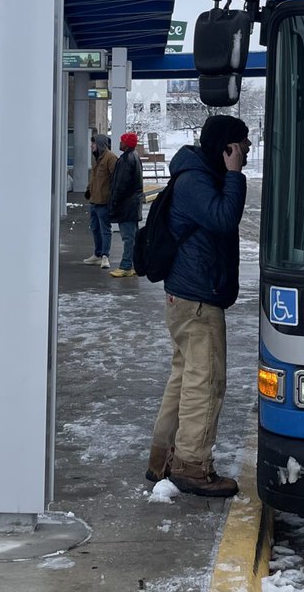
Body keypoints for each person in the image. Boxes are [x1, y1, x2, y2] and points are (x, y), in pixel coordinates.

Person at [147, 115, 250, 498]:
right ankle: (191, 467)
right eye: (242, 145)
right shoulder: (196, 180)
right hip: (197, 300)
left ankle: (163, 459)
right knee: (205, 384)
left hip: (189, 296)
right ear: (226, 147)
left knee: (185, 378)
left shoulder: (197, 174)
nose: (247, 151)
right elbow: (224, 219)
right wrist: (235, 173)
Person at [108, 131, 144, 277]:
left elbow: (121, 184)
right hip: (132, 204)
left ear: (127, 143)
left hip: (127, 205)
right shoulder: (133, 157)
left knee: (128, 237)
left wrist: (114, 201)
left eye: (122, 141)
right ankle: (132, 265)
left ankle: (126, 266)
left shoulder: (126, 160)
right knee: (132, 236)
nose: (120, 143)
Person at [83, 133, 117, 269]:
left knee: (105, 230)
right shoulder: (97, 159)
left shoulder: (110, 158)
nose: (91, 145)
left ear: (100, 144)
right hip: (94, 201)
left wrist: (112, 199)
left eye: (94, 143)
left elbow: (116, 180)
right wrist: (88, 189)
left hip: (104, 202)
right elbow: (94, 178)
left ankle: (105, 256)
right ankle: (97, 254)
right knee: (95, 228)